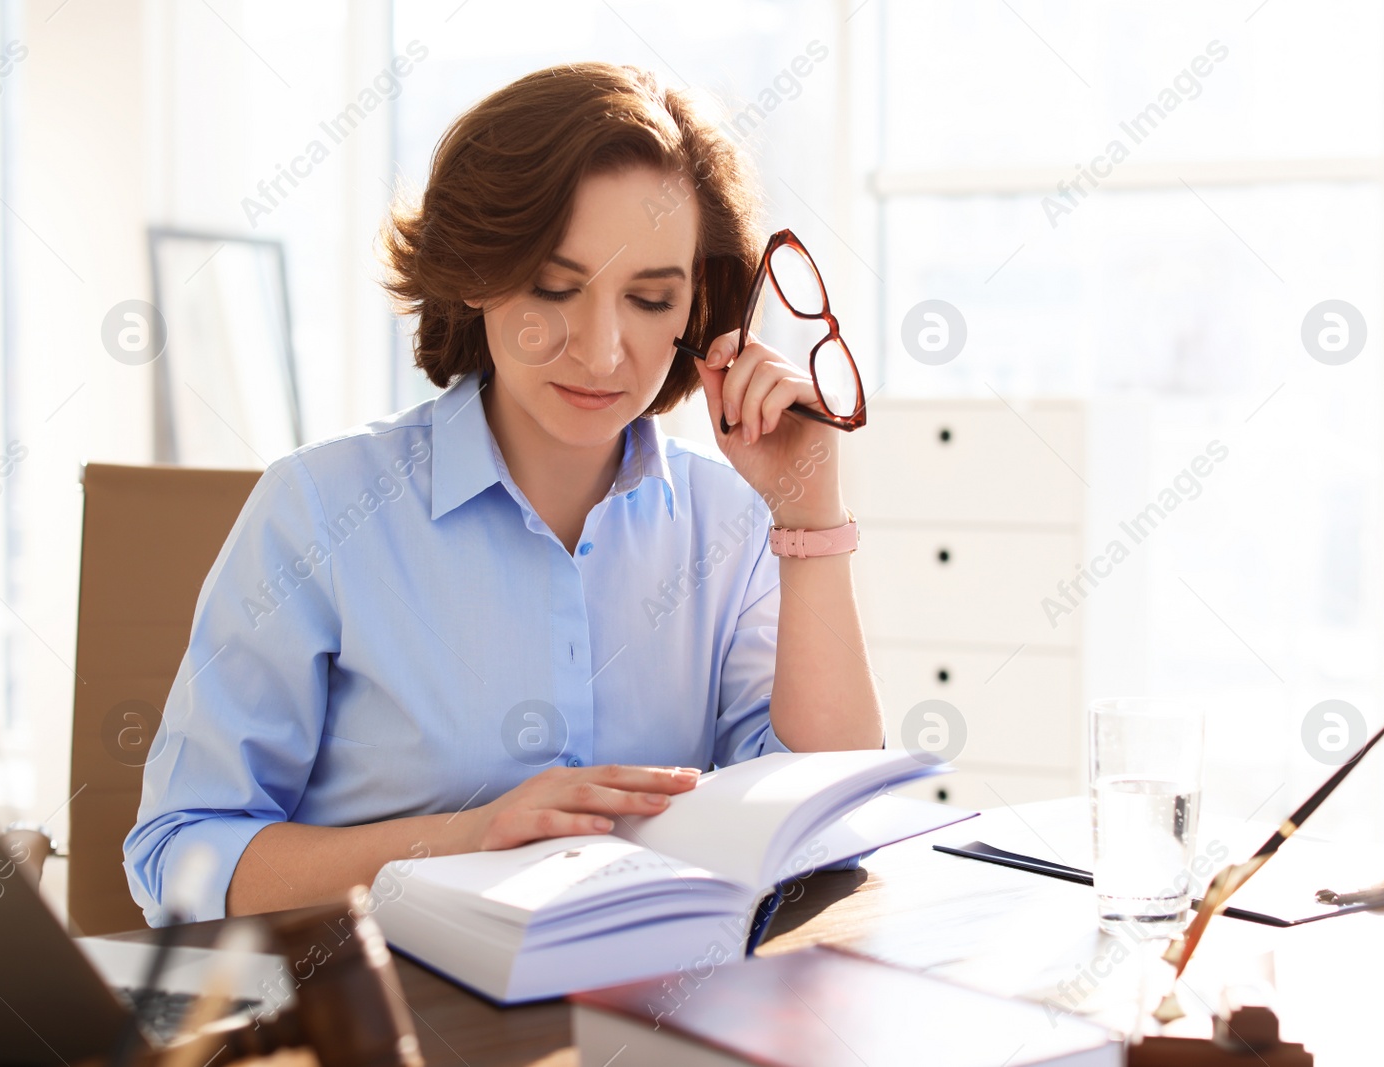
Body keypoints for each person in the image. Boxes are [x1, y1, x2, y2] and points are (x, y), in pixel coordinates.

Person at [124, 62, 884, 924]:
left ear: (694, 311)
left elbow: (830, 820)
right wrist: (469, 837)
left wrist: (808, 510)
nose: (602, 353)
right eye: (555, 289)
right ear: (479, 274)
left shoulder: (731, 522)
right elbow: (178, 858)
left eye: (649, 299)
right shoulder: (317, 509)